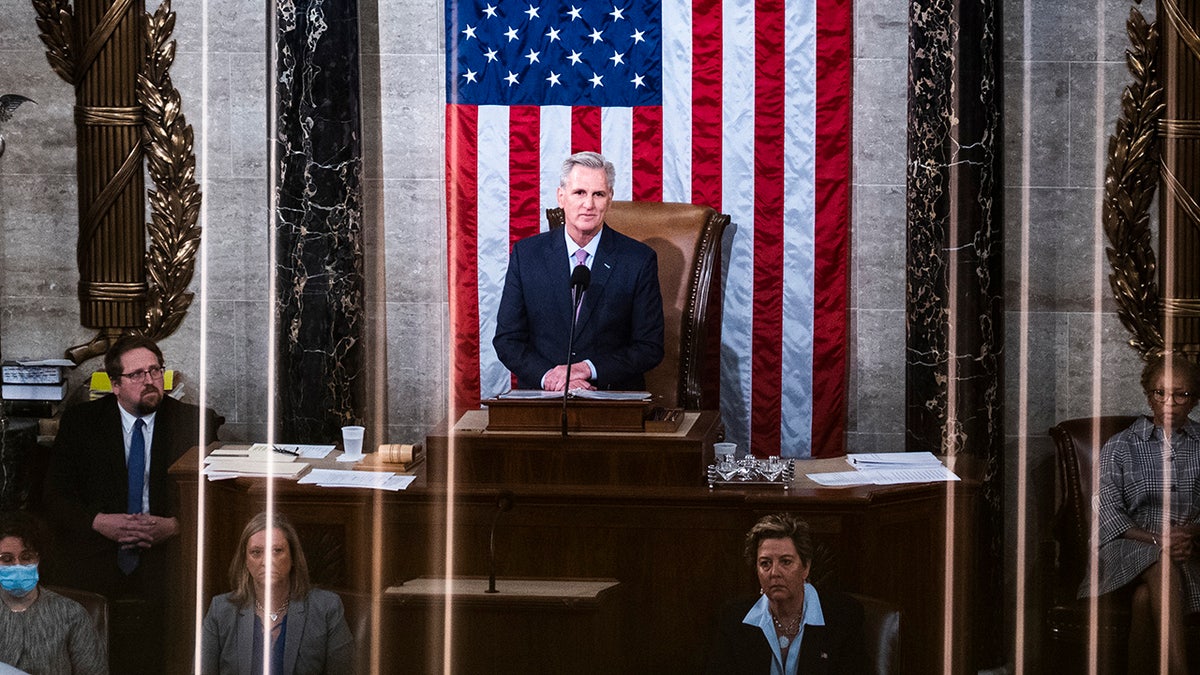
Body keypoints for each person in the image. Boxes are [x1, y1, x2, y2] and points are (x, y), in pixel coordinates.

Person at [42, 333, 222, 673]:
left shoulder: (195, 423)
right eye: (137, 375)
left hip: (167, 551)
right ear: (114, 384)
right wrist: (98, 522)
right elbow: (54, 496)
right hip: (98, 548)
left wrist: (175, 525)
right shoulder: (82, 423)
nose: (150, 381)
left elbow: (215, 496)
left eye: (155, 371)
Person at [493, 151, 664, 392]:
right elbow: (508, 340)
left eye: (598, 194)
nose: (589, 204)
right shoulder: (527, 255)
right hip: (543, 397)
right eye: (579, 193)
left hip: (610, 398)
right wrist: (549, 377)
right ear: (561, 197)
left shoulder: (637, 260)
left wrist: (587, 369)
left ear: (610, 199)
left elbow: (649, 347)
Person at [1080, 353, 1200, 674]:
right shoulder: (1120, 446)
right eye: (1160, 393)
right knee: (1159, 554)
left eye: (1181, 394)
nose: (1169, 402)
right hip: (1125, 546)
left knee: (1146, 599)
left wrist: (1188, 535)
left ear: (1195, 400)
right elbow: (1107, 513)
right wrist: (1160, 540)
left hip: (1188, 551)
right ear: (1149, 395)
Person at [705, 513, 866, 674]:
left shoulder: (843, 616)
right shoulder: (734, 619)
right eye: (765, 563)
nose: (774, 572)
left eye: (786, 562)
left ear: (806, 567)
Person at [201, 512, 354, 675]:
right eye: (256, 552)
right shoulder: (221, 611)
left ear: (293, 557)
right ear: (245, 561)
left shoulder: (326, 609)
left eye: (277, 550)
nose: (267, 561)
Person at [0, 511, 107, 674]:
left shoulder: (71, 614)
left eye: (26, 557)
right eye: (6, 559)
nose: (17, 565)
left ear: (38, 558)